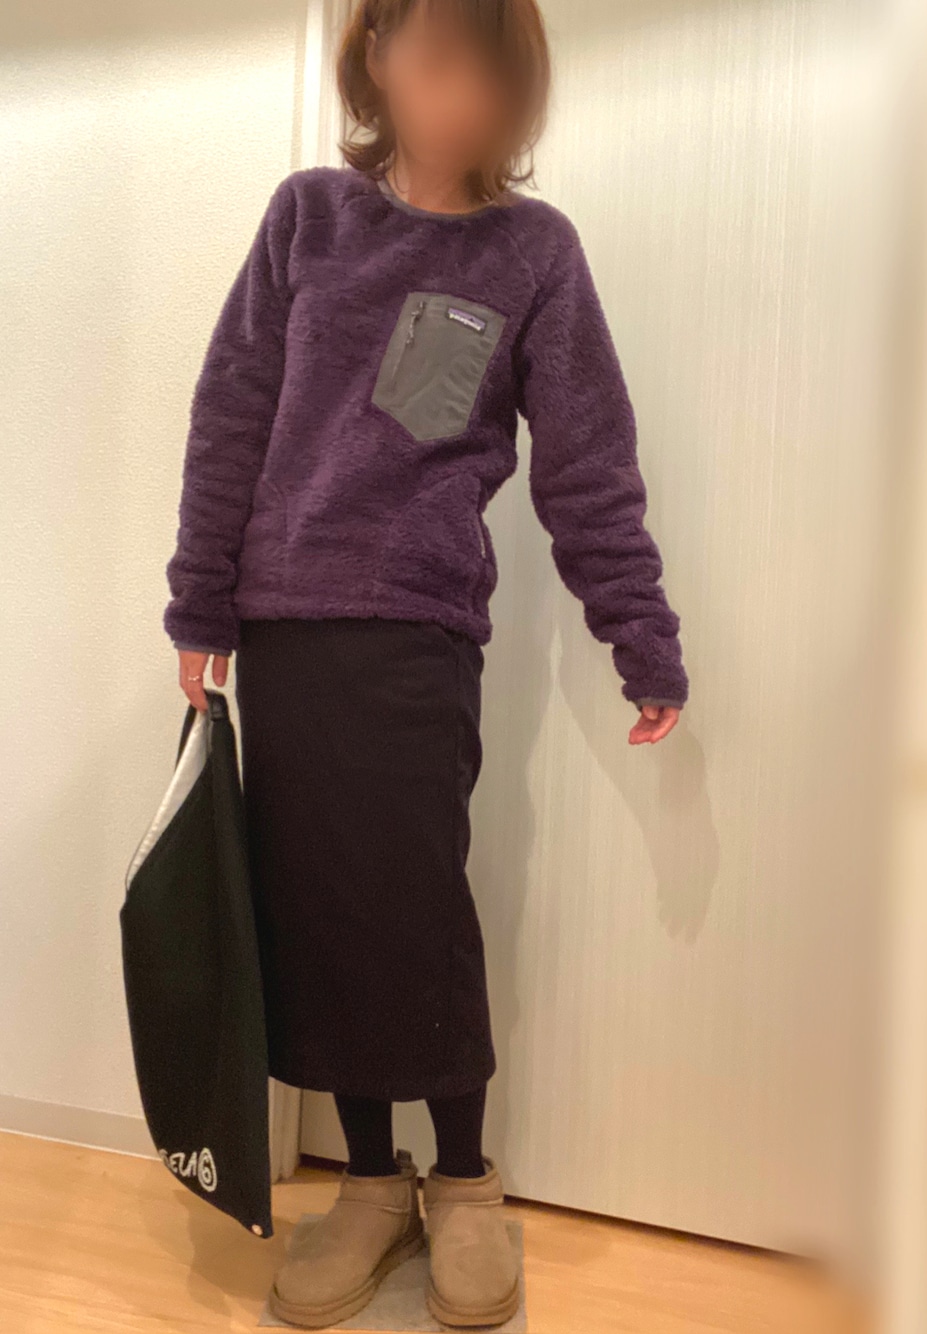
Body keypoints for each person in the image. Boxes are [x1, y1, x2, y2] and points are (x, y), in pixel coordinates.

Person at [163, 0, 689, 1325]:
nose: (460, 91)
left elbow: (588, 463)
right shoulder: (308, 218)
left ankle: (463, 1180)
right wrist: (200, 603)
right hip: (284, 628)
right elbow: (230, 412)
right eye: (435, 55)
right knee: (319, 911)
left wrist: (640, 632)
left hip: (418, 626)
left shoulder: (533, 252)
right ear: (376, 58)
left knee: (415, 908)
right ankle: (371, 1183)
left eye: (489, 68)